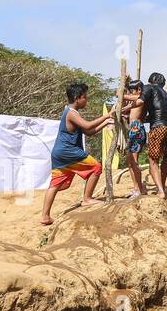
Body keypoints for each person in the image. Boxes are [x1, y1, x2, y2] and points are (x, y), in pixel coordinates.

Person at [40, 82, 112, 226]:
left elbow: (89, 132)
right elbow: (87, 125)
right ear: (77, 98)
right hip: (69, 151)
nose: (86, 100)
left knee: (55, 184)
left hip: (59, 153)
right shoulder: (71, 113)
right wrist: (106, 116)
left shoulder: (71, 112)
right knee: (96, 167)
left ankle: (45, 216)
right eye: (85, 97)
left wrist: (106, 122)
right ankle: (87, 199)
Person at [140, 72, 167, 201]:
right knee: (165, 157)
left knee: (153, 160)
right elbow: (156, 113)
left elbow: (140, 101)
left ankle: (161, 191)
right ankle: (161, 186)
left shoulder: (149, 88)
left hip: (159, 128)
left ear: (150, 81)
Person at [120, 77, 148, 197]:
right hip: (134, 129)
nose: (130, 93)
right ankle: (137, 187)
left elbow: (126, 96)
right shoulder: (135, 102)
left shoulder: (141, 98)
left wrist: (122, 93)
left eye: (133, 91)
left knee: (134, 161)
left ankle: (139, 189)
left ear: (139, 90)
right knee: (130, 161)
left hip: (137, 130)